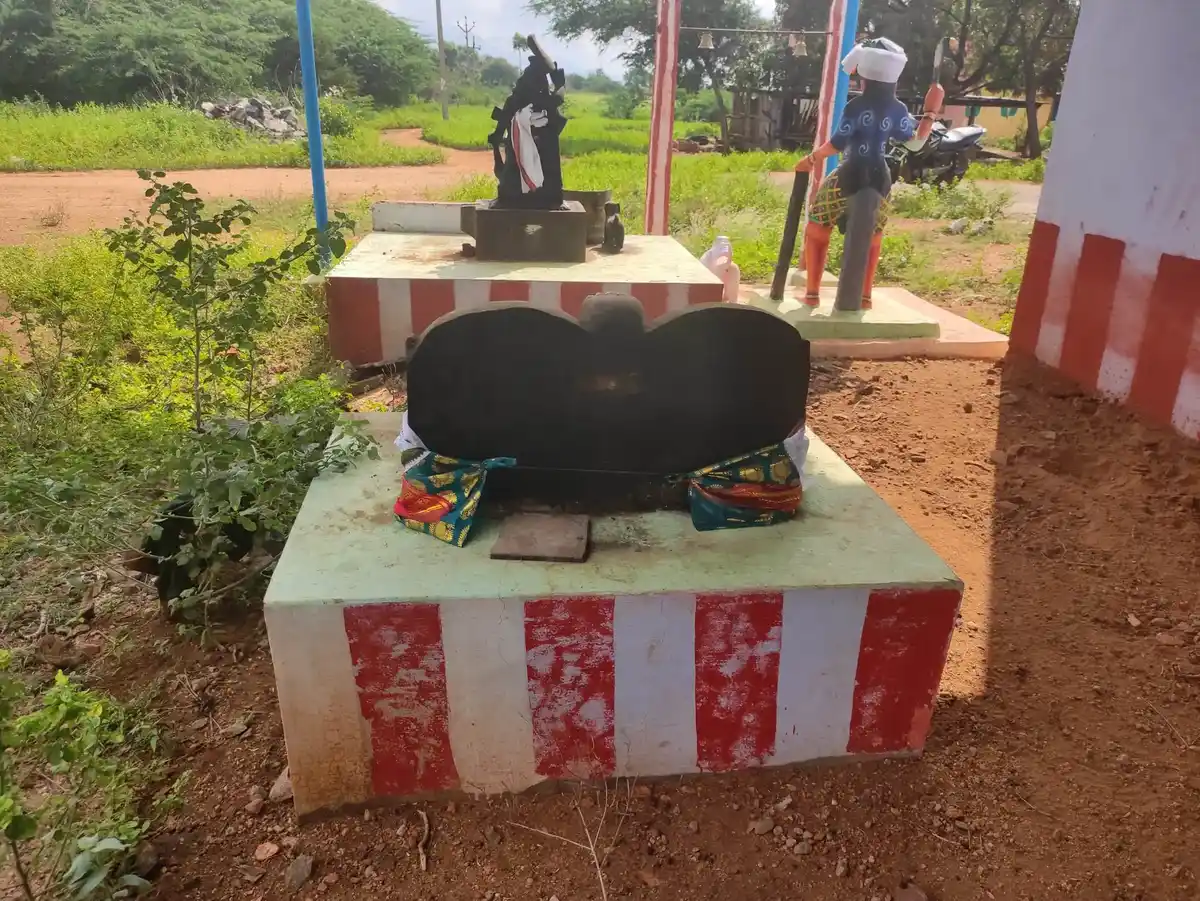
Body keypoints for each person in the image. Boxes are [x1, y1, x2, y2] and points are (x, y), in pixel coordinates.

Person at [795, 38, 945, 309]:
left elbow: (837, 144)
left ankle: (812, 294)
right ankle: (865, 297)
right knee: (875, 237)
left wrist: (811, 159)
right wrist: (931, 113)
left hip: (848, 175)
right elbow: (915, 142)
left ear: (865, 77)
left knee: (817, 227)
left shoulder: (855, 106)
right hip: (881, 178)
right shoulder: (898, 109)